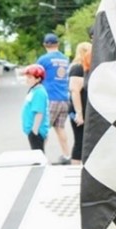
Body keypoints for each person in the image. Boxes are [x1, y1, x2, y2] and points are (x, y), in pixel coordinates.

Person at [36, 33, 72, 164]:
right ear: (58, 44)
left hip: (50, 98)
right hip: (64, 98)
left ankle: (39, 157)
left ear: (45, 45)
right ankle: (67, 155)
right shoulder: (65, 59)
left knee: (43, 129)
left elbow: (37, 76)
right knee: (60, 128)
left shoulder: (43, 60)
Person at [67, 42, 92, 165]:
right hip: (79, 111)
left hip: (86, 110)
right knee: (80, 141)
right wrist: (79, 114)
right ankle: (75, 169)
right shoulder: (78, 68)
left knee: (86, 142)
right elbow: (75, 91)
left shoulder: (87, 68)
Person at [20, 64, 49, 152]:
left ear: (38, 79)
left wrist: (34, 131)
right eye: (27, 77)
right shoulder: (34, 90)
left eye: (30, 77)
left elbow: (39, 112)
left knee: (38, 156)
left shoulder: (39, 93)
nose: (27, 80)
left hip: (37, 131)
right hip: (33, 130)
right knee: (38, 155)